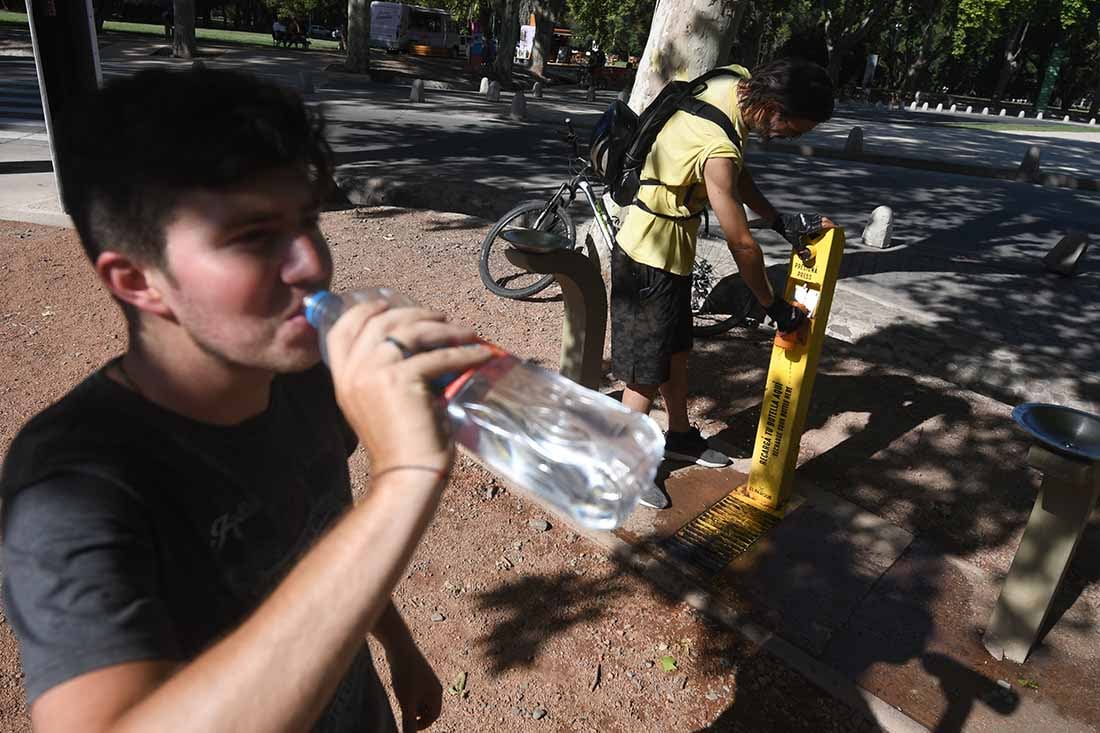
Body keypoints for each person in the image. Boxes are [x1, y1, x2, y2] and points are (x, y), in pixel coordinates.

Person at [0, 68, 493, 732]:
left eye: (308, 220)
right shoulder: (70, 487)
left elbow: (321, 533)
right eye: (253, 236)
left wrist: (399, 645)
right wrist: (404, 480)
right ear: (139, 281)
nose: (313, 262)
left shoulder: (303, 374)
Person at [611, 57, 836, 509]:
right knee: (643, 375)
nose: (794, 137)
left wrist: (778, 219)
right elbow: (741, 244)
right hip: (646, 256)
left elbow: (736, 177)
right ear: (774, 107)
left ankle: (678, 435)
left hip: (670, 251)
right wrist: (771, 307)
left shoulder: (733, 84)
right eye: (796, 128)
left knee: (676, 352)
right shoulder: (716, 148)